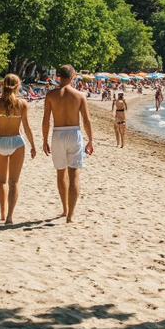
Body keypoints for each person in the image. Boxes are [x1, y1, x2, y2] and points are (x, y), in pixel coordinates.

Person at [42, 65, 94, 223]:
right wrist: (91, 140)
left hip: (57, 133)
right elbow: (86, 120)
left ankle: (64, 209)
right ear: (73, 77)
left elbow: (46, 121)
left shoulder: (51, 95)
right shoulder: (79, 96)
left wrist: (44, 140)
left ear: (58, 76)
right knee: (74, 175)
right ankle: (70, 215)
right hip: (73, 133)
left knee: (60, 173)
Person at [0, 74, 36, 224]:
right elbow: (26, 127)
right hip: (17, 141)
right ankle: (9, 217)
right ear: (18, 86)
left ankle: (2, 213)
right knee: (13, 181)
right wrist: (33, 145)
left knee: (2, 180)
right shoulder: (22, 104)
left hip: (0, 141)